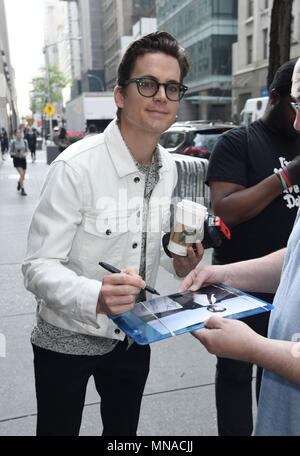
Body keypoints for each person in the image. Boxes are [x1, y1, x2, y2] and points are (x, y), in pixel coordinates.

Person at [22, 31, 203, 436]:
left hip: (133, 336)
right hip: (66, 338)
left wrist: (181, 260)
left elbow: (155, 247)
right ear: (120, 96)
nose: (161, 96)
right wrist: (96, 296)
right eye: (148, 84)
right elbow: (37, 267)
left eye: (171, 87)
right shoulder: (76, 167)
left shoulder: (172, 168)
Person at [180, 56, 300, 436]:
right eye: (295, 106)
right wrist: (221, 272)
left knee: (270, 371)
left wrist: (259, 350)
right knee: (235, 379)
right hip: (245, 295)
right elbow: (227, 211)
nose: (297, 122)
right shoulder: (240, 142)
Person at [10, 128, 28, 196]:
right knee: (22, 174)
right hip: (17, 160)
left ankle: (19, 182)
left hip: (23, 159)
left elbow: (27, 150)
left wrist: (24, 154)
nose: (19, 134)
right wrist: (16, 153)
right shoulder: (13, 142)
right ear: (15, 134)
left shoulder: (25, 141)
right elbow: (10, 152)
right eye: (17, 133)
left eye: (20, 132)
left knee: (23, 176)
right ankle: (22, 190)